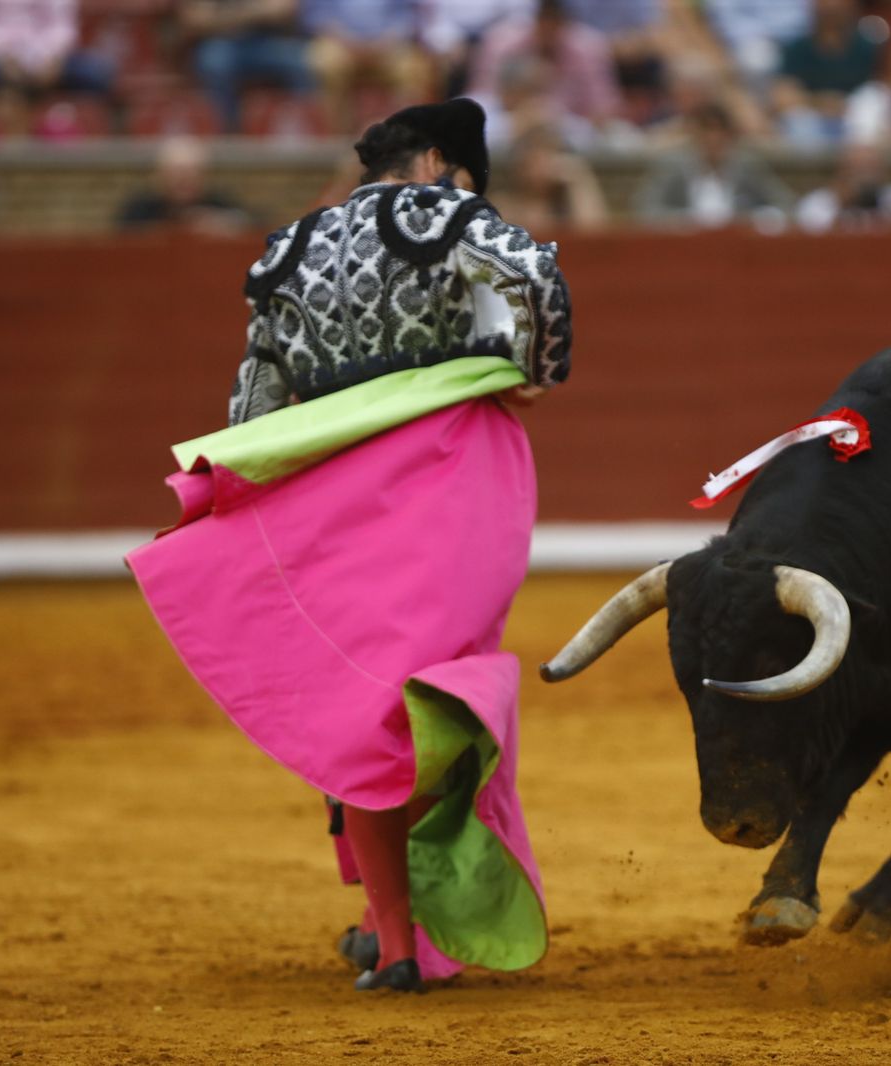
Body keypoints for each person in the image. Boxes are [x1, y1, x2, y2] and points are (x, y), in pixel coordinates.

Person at [125, 98, 569, 994]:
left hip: (329, 496)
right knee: (440, 690)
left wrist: (254, 508)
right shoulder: (444, 213)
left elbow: (256, 396)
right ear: (439, 162)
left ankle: (393, 938)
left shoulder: (289, 244)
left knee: (360, 704)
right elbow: (537, 281)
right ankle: (413, 919)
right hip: (445, 480)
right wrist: (529, 371)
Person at [0, 0, 118, 138]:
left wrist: (53, 58)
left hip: (50, 58)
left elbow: (63, 28)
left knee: (96, 72)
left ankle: (86, 140)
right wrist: (3, 58)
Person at [468, 0, 624, 136]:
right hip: (503, 131)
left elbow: (604, 111)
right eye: (544, 20)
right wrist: (515, 123)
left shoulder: (590, 49)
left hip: (571, 140)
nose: (548, 29)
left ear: (565, 22)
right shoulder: (501, 43)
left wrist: (554, 122)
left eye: (554, 21)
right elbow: (483, 97)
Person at [634, 100, 793, 229]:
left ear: (729, 135)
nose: (713, 138)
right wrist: (684, 222)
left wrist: (753, 220)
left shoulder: (747, 166)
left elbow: (784, 204)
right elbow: (646, 208)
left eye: (719, 131)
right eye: (706, 131)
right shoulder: (673, 166)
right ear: (695, 134)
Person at [180, 0, 312, 134]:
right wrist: (256, 12)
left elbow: (284, 9)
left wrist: (226, 18)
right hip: (222, 43)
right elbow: (197, 20)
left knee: (304, 62)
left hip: (268, 42)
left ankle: (307, 135)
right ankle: (229, 133)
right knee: (213, 62)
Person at [305, 0, 431, 135]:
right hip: (340, 44)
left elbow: (408, 18)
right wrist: (349, 42)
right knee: (326, 62)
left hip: (388, 47)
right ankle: (340, 136)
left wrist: (384, 43)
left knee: (415, 68)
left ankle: (403, 135)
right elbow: (316, 16)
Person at [771, 0, 884, 144]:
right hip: (813, 118)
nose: (831, 8)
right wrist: (820, 103)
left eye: (838, 6)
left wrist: (845, 106)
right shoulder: (797, 49)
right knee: (798, 122)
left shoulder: (867, 49)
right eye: (826, 5)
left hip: (852, 118)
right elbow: (782, 98)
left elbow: (880, 94)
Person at [115, 136, 253, 234]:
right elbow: (121, 234)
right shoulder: (141, 207)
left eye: (191, 172)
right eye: (176, 173)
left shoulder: (218, 202)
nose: (184, 180)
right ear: (160, 175)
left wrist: (224, 223)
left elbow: (255, 224)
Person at [490, 121, 609, 231]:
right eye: (535, 158)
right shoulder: (502, 205)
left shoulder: (568, 205)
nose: (542, 167)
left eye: (549, 157)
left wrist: (579, 179)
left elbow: (594, 233)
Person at [794, 141, 891, 233]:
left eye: (870, 168)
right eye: (857, 168)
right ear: (842, 170)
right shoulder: (820, 201)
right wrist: (842, 202)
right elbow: (810, 236)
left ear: (883, 170)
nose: (865, 176)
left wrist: (890, 209)